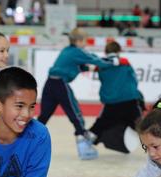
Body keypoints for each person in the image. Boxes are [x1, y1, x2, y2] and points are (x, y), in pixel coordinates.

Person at [37, 28, 118, 160]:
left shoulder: (67, 50)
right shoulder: (77, 51)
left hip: (50, 83)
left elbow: (76, 66)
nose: (86, 44)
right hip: (60, 85)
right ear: (79, 41)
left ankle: (27, 140)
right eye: (85, 41)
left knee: (43, 117)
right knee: (76, 115)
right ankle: (83, 147)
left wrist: (89, 68)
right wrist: (113, 62)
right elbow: (94, 59)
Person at [87, 41, 144, 154]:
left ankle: (85, 144)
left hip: (111, 103)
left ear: (105, 52)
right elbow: (134, 80)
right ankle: (156, 146)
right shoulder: (125, 63)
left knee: (100, 125)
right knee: (141, 126)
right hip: (129, 101)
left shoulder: (101, 66)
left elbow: (103, 80)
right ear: (119, 51)